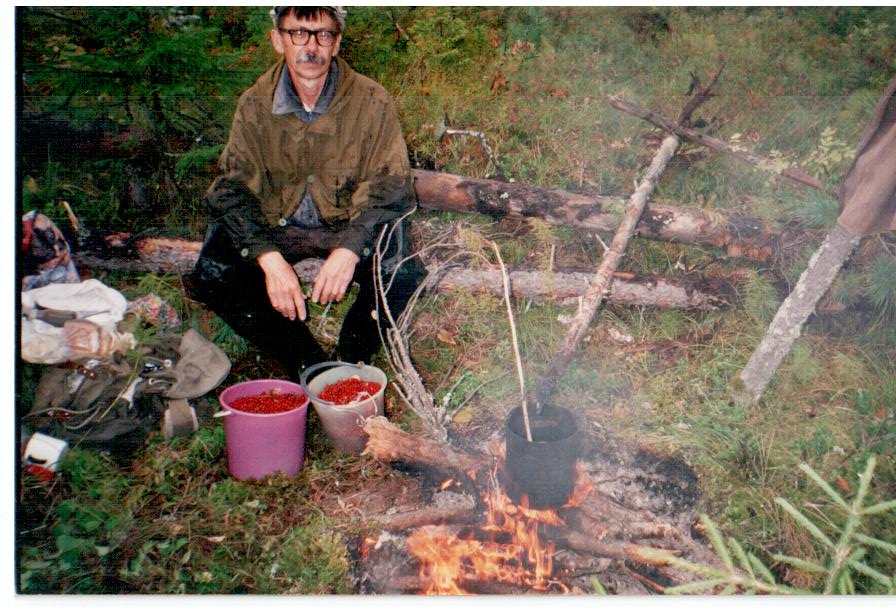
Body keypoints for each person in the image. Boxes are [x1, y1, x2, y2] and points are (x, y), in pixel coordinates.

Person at [189, 6, 425, 380]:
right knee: (212, 272)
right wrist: (268, 258)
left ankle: (350, 361)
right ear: (278, 40)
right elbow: (231, 188)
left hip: (347, 223)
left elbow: (390, 185)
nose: (310, 47)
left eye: (323, 35)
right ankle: (308, 361)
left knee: (405, 273)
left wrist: (350, 249)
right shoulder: (254, 104)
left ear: (337, 43)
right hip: (277, 224)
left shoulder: (371, 100)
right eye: (298, 33)